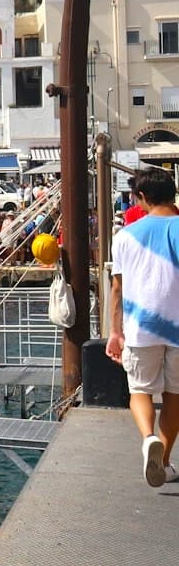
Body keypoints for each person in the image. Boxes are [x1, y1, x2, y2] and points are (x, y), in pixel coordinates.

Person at [107, 167, 179, 487]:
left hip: (141, 328)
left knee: (139, 391)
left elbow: (117, 290)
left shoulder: (124, 238)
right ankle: (163, 460)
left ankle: (148, 437)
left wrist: (114, 332)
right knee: (175, 396)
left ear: (142, 198)